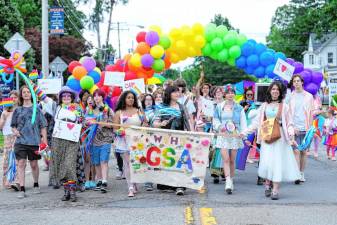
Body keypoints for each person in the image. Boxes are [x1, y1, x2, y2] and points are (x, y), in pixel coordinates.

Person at [241, 81, 300, 200]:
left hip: (280, 139)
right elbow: (256, 123)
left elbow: (289, 123)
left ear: (280, 92)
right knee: (267, 162)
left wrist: (291, 134)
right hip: (267, 138)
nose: (275, 91)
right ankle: (267, 183)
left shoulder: (284, 106)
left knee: (277, 162)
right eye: (273, 89)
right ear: (270, 91)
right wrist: (244, 132)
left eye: (277, 90)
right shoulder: (264, 106)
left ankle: (275, 189)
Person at [152, 85, 191, 195]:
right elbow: (154, 122)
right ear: (169, 94)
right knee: (168, 159)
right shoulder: (161, 107)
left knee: (180, 160)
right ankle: (168, 184)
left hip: (180, 137)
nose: (177, 94)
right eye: (174, 92)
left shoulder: (182, 107)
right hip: (165, 138)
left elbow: (187, 122)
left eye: (178, 92)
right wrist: (160, 124)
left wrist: (191, 134)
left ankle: (180, 185)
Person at [11, 86, 48, 199]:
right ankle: (22, 188)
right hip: (21, 141)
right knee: (21, 164)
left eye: (28, 92)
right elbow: (13, 126)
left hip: (34, 141)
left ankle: (36, 184)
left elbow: (43, 126)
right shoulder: (18, 110)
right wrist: (15, 131)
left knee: (33, 164)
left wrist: (44, 141)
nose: (26, 94)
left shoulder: (36, 109)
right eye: (24, 92)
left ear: (31, 94)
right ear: (21, 95)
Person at [213, 84, 247, 194]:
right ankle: (227, 180)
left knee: (232, 160)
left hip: (235, 136)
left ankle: (231, 179)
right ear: (225, 94)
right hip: (223, 136)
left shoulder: (239, 108)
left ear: (234, 94)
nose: (230, 94)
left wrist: (243, 134)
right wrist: (219, 127)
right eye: (228, 93)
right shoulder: (219, 107)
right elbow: (216, 119)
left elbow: (243, 122)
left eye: (232, 92)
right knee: (226, 159)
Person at [50, 86, 82, 201]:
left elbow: (81, 121)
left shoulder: (77, 108)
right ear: (60, 98)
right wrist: (32, 82)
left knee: (69, 164)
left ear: (72, 97)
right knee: (61, 165)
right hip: (58, 140)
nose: (67, 97)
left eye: (69, 95)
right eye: (64, 95)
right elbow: (43, 97)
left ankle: (73, 191)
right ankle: (66, 191)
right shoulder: (57, 108)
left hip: (72, 140)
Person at [113, 91, 146, 197]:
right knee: (128, 164)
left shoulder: (139, 111)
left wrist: (143, 127)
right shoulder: (119, 112)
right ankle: (130, 187)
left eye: (132, 98)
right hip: (124, 141)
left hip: (137, 141)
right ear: (124, 99)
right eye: (128, 98)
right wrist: (119, 132)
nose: (131, 99)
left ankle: (134, 182)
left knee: (135, 164)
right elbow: (115, 128)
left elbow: (145, 123)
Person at [288, 74, 315, 184]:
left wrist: (311, 128)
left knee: (304, 152)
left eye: (298, 81)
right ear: (293, 83)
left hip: (306, 127)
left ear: (302, 82)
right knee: (296, 151)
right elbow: (288, 113)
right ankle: (296, 174)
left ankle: (301, 172)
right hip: (294, 128)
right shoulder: (290, 96)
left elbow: (311, 113)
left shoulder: (309, 96)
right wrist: (291, 127)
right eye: (294, 81)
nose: (296, 83)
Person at [88, 90, 114, 193]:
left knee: (104, 160)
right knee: (96, 161)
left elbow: (114, 124)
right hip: (94, 139)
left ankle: (104, 181)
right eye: (95, 96)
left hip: (106, 138)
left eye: (99, 96)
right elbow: (86, 121)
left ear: (103, 97)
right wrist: (88, 123)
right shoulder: (90, 110)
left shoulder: (108, 110)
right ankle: (99, 180)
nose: (96, 97)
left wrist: (104, 124)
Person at [0, 91, 19, 190]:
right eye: (11, 98)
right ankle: (6, 182)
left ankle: (15, 181)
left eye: (15, 97)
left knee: (16, 159)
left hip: (17, 136)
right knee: (7, 159)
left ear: (18, 99)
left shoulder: (19, 110)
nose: (13, 99)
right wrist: (4, 117)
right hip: (7, 136)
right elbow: (1, 126)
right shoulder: (4, 111)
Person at [209, 86, 225, 184]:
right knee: (214, 150)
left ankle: (222, 171)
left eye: (220, 91)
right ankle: (215, 172)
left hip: (224, 130)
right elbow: (207, 117)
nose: (218, 93)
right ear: (214, 93)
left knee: (223, 151)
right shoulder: (211, 104)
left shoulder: (226, 104)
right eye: (217, 92)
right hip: (214, 130)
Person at [83, 94, 97, 190]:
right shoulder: (83, 111)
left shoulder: (97, 111)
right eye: (88, 99)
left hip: (95, 138)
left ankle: (93, 180)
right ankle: (87, 180)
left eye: (92, 99)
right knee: (87, 159)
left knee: (93, 160)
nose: (90, 100)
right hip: (85, 138)